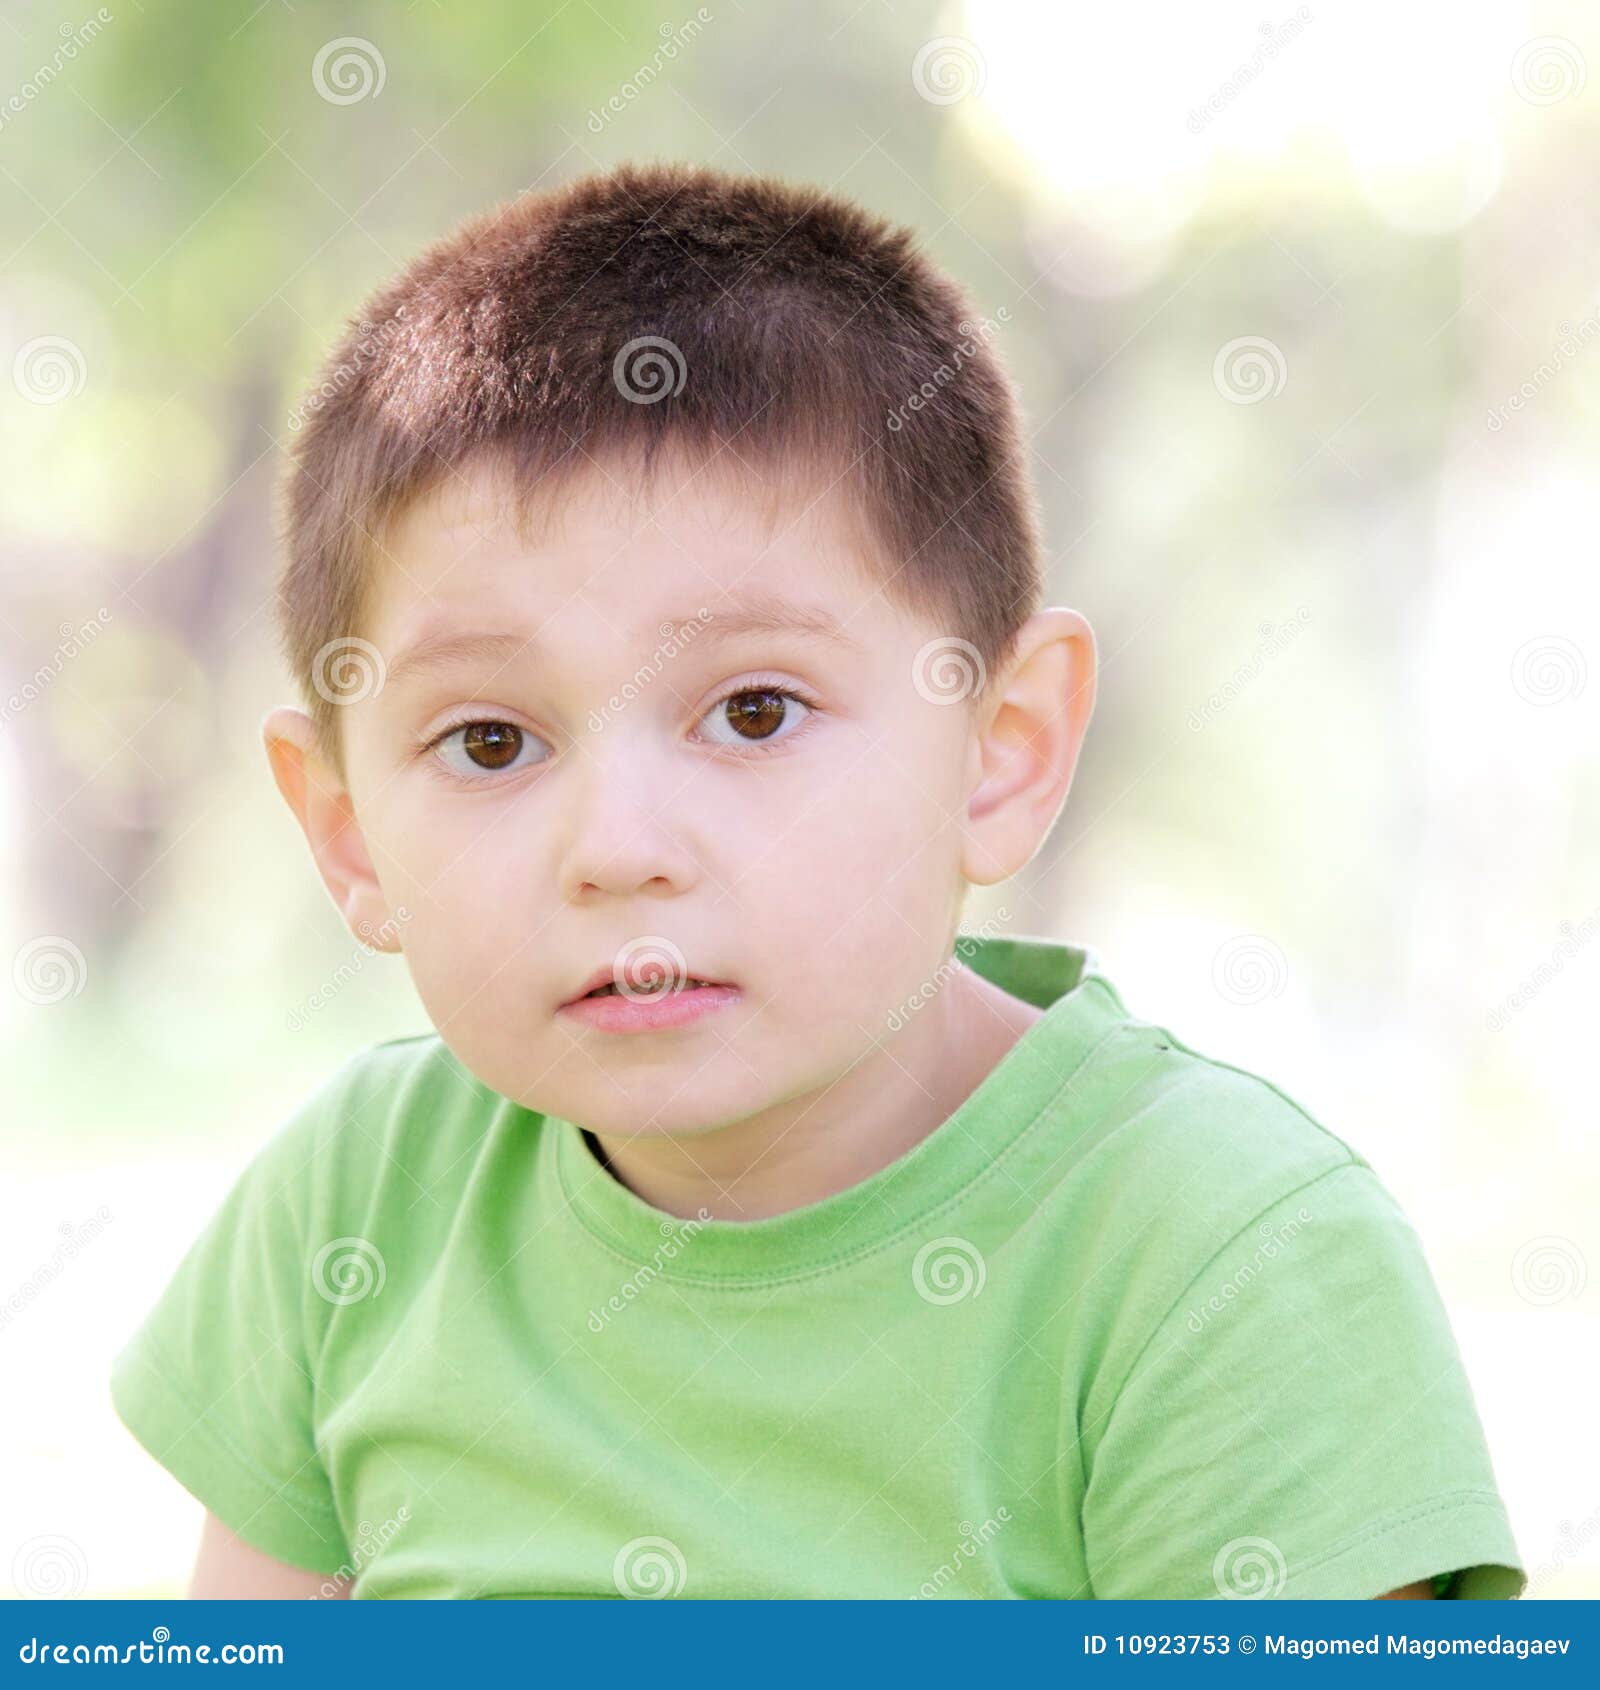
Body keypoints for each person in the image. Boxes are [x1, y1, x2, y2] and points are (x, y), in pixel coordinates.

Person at [110, 161, 1522, 1600]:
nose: (619, 848)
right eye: (490, 739)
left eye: (756, 712)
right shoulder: (360, 1204)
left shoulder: (1217, 1260)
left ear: (1001, 749)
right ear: (349, 834)